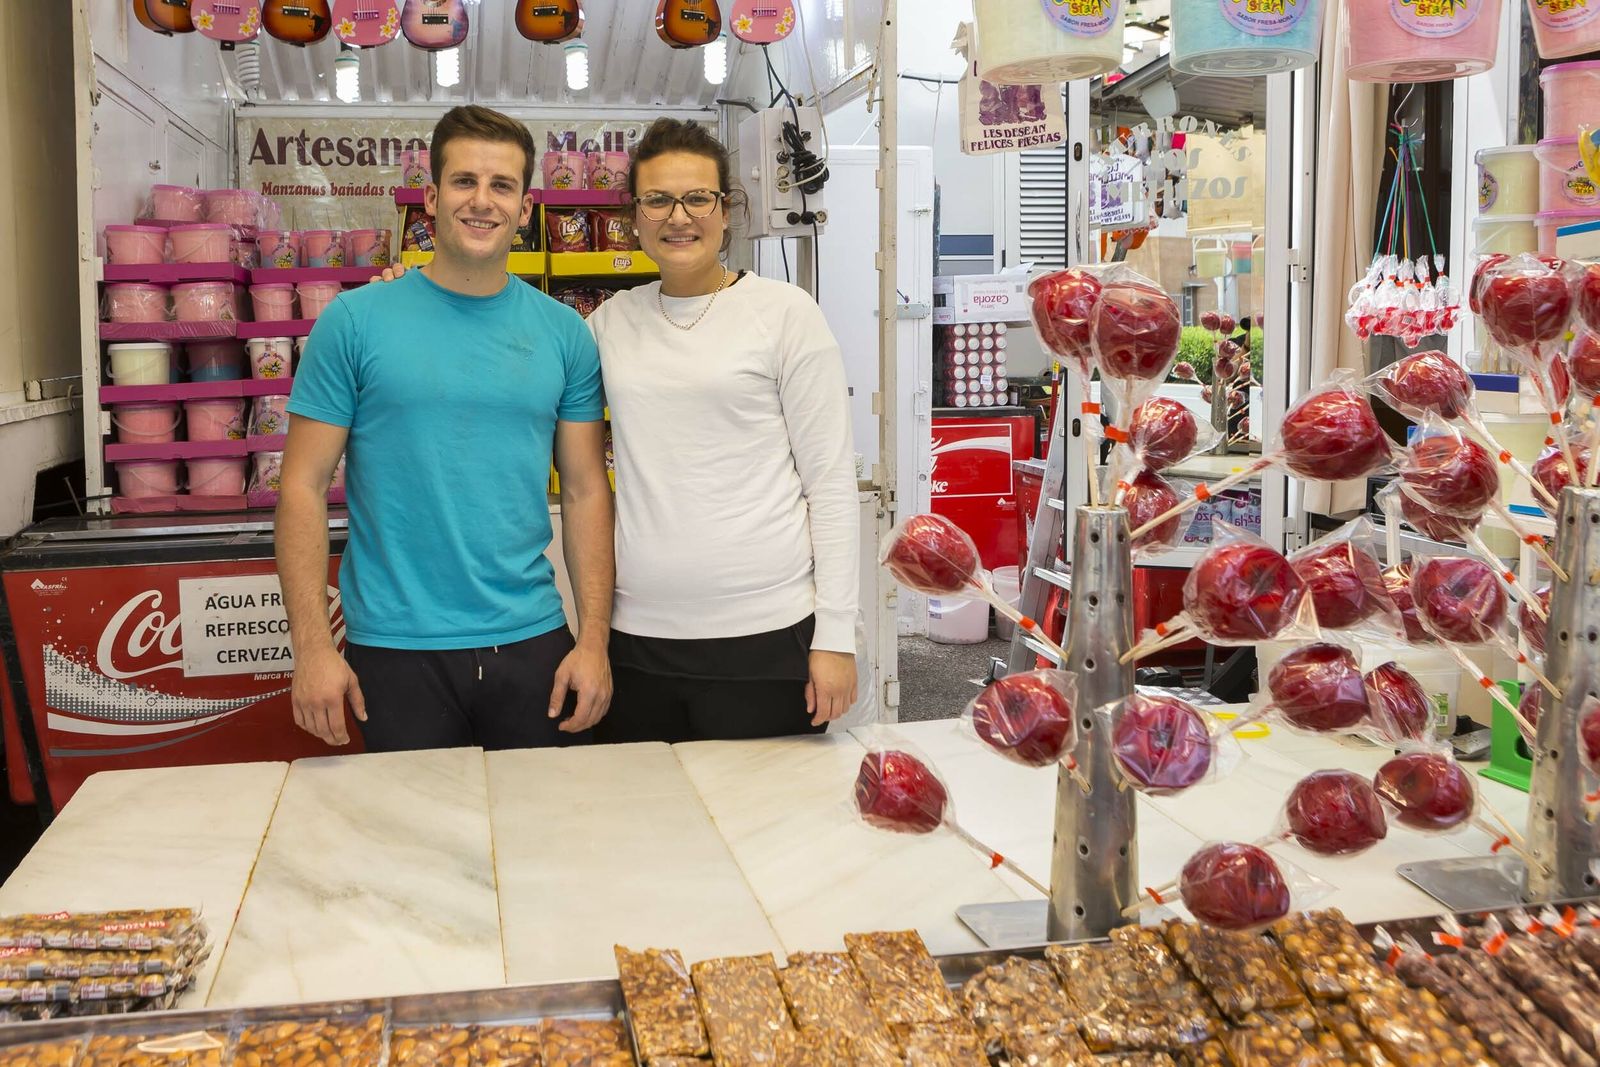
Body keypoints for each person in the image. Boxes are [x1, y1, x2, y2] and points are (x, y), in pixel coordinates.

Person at [276, 105, 614, 753]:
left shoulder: (564, 334)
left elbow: (585, 492)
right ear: (431, 197)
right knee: (414, 848)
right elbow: (301, 486)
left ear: (527, 206)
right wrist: (313, 647)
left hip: (531, 640)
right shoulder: (353, 322)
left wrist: (592, 638)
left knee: (535, 843)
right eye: (464, 181)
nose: (481, 201)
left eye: (502, 185)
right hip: (395, 649)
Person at [586, 119, 859, 742]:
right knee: (653, 827)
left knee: (765, 831)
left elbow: (831, 484)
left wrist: (837, 634)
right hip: (636, 640)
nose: (678, 217)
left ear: (727, 209)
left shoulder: (785, 314)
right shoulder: (608, 323)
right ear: (634, 213)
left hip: (767, 636)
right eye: (657, 199)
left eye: (697, 198)